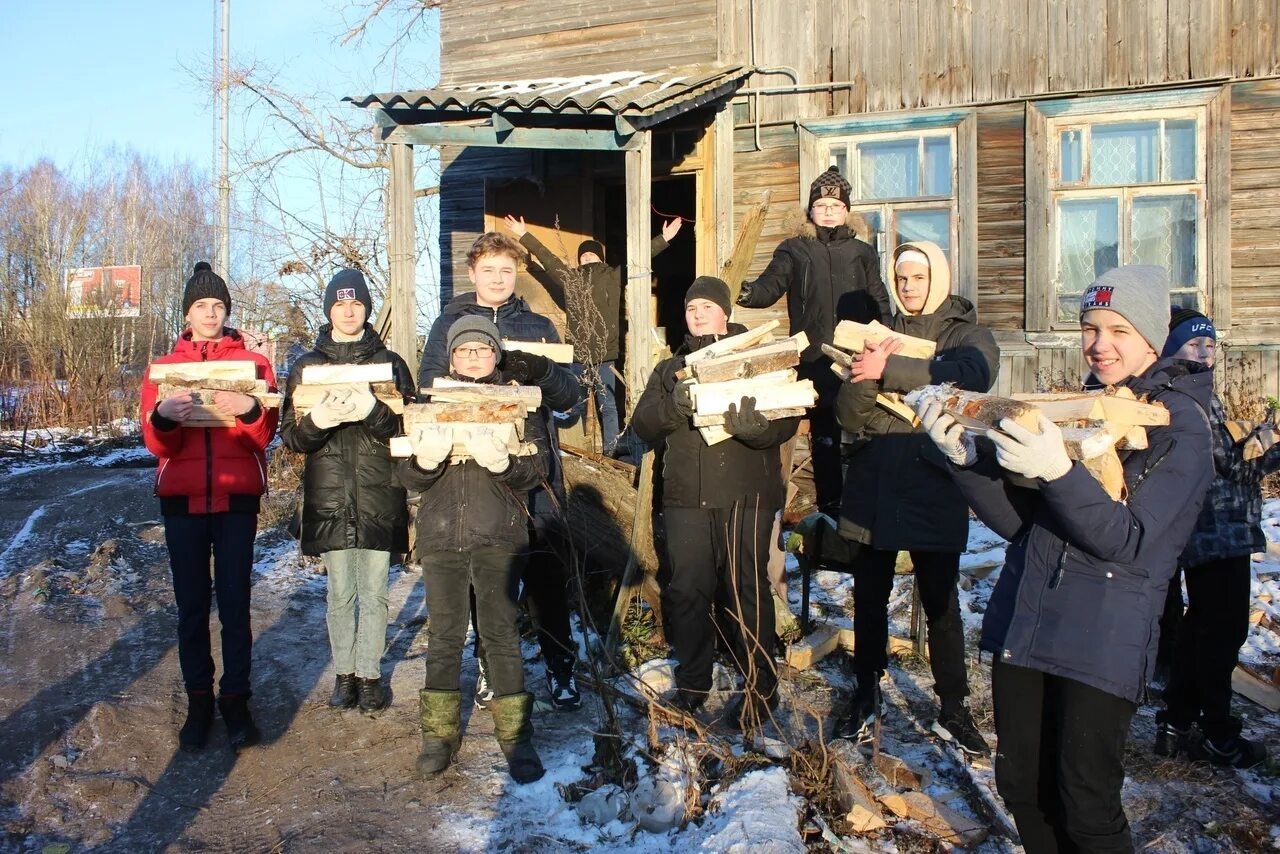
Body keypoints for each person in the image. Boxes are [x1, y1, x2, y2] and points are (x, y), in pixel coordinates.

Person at [917, 265, 1213, 853]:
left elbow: (1129, 540)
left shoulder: (1180, 427)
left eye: (1119, 330)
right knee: (1023, 788)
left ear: (1153, 338)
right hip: (1027, 622)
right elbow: (1020, 527)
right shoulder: (1077, 411)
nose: (1099, 345)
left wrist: (1058, 471)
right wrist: (964, 458)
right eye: (1089, 327)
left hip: (1101, 636)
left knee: (1085, 804)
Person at [832, 242, 996, 754]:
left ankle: (953, 706)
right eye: (900, 278)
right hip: (875, 482)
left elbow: (973, 376)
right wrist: (866, 377)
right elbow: (850, 417)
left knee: (942, 601)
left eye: (918, 278)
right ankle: (865, 694)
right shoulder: (879, 335)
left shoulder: (965, 335)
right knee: (869, 599)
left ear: (938, 280)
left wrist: (889, 371)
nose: (907, 287)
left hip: (933, 484)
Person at [420, 232, 586, 710]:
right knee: (484, 576)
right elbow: (430, 387)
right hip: (474, 469)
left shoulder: (539, 326)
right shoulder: (448, 322)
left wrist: (538, 370)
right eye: (489, 269)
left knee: (543, 571)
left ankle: (560, 667)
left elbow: (571, 401)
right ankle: (492, 668)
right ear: (472, 274)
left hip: (533, 466)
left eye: (507, 271)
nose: (498, 278)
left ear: (517, 276)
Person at [633, 276, 799, 728]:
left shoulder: (755, 360)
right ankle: (691, 685)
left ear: (725, 312)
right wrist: (675, 408)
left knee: (746, 590)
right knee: (686, 591)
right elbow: (643, 424)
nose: (699, 313)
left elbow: (786, 422)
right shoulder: (671, 370)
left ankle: (761, 688)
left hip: (746, 494)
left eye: (707, 305)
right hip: (686, 498)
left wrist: (756, 430)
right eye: (691, 308)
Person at [400, 316, 549, 784]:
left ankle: (516, 738)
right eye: (464, 351)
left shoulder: (516, 405)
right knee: (444, 635)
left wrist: (504, 463)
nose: (473, 358)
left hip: (498, 535)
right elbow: (403, 478)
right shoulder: (429, 407)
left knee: (500, 634)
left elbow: (537, 472)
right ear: (451, 358)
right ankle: (438, 737)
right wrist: (425, 461)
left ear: (495, 356)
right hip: (442, 535)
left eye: (482, 350)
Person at [139, 262, 279, 753]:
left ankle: (235, 701)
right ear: (187, 313)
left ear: (227, 311)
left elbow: (264, 436)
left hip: (237, 500)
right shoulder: (164, 368)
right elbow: (156, 446)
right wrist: (163, 416)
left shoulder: (254, 366)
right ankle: (199, 702)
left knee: (236, 605)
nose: (211, 314)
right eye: (201, 306)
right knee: (192, 608)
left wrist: (251, 410)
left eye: (218, 305)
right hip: (182, 501)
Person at [279, 269, 416, 714]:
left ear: (366, 308)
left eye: (356, 303)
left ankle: (371, 674)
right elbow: (292, 438)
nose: (349, 310)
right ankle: (345, 674)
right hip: (331, 493)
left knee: (375, 590)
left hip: (380, 490)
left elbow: (408, 428)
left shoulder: (391, 363)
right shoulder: (307, 366)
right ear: (329, 310)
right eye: (340, 304)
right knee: (340, 592)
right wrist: (320, 420)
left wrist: (373, 410)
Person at [1155, 307, 1272, 768]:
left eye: (1209, 344)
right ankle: (1218, 734)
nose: (1204, 351)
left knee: (1199, 630)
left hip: (1207, 532)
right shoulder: (1192, 393)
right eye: (1193, 343)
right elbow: (1237, 468)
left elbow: (1224, 460)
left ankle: (1176, 722)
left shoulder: (1184, 388)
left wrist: (1257, 440)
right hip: (1216, 532)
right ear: (1171, 349)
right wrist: (1272, 449)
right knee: (1223, 634)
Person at [736, 165, 891, 514]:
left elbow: (878, 297)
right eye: (821, 205)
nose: (828, 211)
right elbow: (771, 284)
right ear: (810, 210)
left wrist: (889, 334)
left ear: (847, 211)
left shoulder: (862, 252)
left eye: (835, 206)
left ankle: (867, 508)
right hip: (814, 359)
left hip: (857, 357)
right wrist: (745, 293)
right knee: (824, 436)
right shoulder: (795, 249)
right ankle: (830, 508)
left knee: (865, 430)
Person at [504, 214, 683, 455]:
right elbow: (548, 258)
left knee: (607, 406)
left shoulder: (612, 276)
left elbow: (640, 260)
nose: (587, 257)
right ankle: (568, 449)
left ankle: (610, 452)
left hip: (604, 356)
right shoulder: (572, 278)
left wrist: (664, 239)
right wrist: (524, 234)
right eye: (583, 255)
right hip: (578, 356)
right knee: (573, 403)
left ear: (601, 257)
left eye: (592, 254)